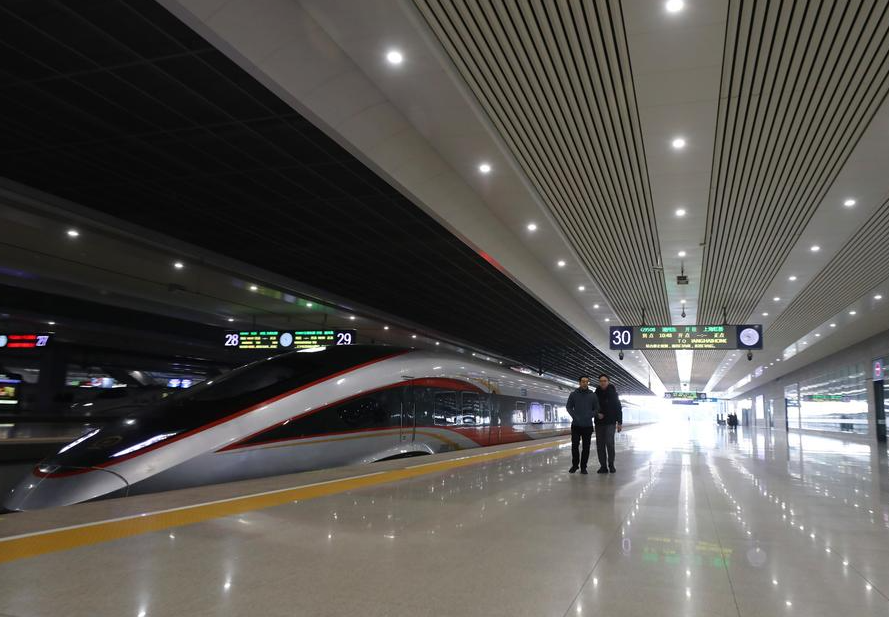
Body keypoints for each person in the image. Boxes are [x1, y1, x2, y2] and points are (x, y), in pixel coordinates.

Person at [565, 375, 599, 474]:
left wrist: (590, 415)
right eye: (583, 381)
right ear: (579, 383)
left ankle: (583, 467)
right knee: (574, 446)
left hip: (588, 425)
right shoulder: (573, 394)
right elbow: (568, 407)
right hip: (576, 425)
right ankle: (575, 465)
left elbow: (597, 408)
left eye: (586, 381)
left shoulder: (593, 395)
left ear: (588, 383)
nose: (585, 383)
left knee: (586, 447)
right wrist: (574, 416)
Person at [594, 373, 622, 474]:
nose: (603, 383)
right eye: (601, 381)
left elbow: (618, 408)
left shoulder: (614, 394)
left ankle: (611, 464)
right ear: (599, 382)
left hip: (610, 422)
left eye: (604, 381)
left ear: (608, 382)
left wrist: (620, 423)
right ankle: (603, 466)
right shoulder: (595, 393)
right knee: (600, 445)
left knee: (609, 443)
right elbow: (592, 408)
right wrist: (596, 414)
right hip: (599, 423)